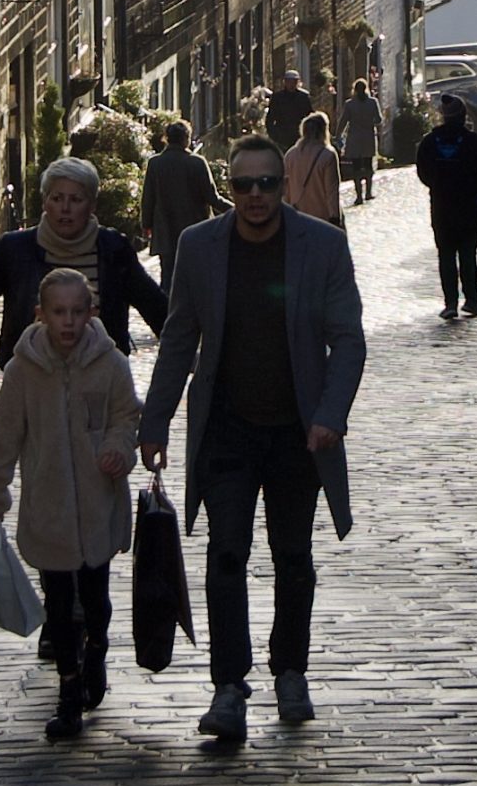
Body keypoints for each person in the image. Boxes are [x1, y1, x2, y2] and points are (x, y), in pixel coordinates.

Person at [139, 134, 366, 745]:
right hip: (228, 428)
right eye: (244, 185)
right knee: (226, 555)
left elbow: (348, 339)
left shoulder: (322, 246)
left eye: (267, 183)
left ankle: (290, 670)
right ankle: (228, 686)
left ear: (283, 186)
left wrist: (331, 414)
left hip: (298, 432)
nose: (256, 195)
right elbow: (179, 339)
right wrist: (155, 422)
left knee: (293, 556)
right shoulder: (200, 247)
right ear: (230, 188)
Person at [0, 269, 140, 743]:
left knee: (96, 598)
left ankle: (97, 652)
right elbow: (4, 435)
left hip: (98, 503)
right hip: (47, 507)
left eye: (77, 312)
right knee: (60, 604)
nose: (68, 322)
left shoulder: (110, 364)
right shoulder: (23, 371)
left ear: (91, 313)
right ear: (41, 315)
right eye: (59, 312)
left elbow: (126, 415)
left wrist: (118, 448)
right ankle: (68, 690)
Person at [0, 156, 167, 395]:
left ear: (91, 204)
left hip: (100, 384)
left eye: (75, 200)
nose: (65, 208)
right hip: (31, 385)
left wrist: (186, 357)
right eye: (57, 198)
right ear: (45, 202)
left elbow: (154, 307)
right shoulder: (14, 250)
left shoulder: (113, 250)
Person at [415, 94, 477, 322]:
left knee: (446, 255)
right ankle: (472, 299)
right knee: (468, 254)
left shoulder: (430, 142)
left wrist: (439, 185)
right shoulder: (476, 143)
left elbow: (423, 172)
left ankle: (450, 302)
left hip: (442, 207)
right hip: (469, 207)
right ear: (463, 115)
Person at [140, 121, 227, 288]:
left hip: (166, 231)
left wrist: (146, 225)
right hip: (196, 230)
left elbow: (148, 198)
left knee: (168, 279)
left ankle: (168, 304)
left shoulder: (155, 164)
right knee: (197, 279)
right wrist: (236, 209)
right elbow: (212, 198)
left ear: (167, 138)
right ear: (186, 139)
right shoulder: (197, 163)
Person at [282, 111, 343, 226]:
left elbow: (286, 190)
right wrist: (335, 217)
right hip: (321, 218)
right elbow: (332, 191)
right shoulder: (328, 155)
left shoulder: (290, 155)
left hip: (297, 216)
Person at [337, 78, 383, 206]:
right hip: (368, 137)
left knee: (356, 167)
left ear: (355, 90)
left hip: (354, 138)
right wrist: (370, 122)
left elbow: (343, 121)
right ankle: (368, 192)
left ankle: (358, 196)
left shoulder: (349, 104)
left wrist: (338, 134)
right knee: (368, 165)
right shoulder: (373, 102)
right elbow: (379, 119)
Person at [264, 69, 311, 152]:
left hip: (299, 135)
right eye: (289, 81)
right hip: (282, 136)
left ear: (298, 82)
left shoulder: (303, 97)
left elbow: (309, 115)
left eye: (294, 82)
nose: (291, 84)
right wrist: (274, 134)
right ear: (285, 82)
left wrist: (307, 133)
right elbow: (270, 118)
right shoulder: (278, 97)